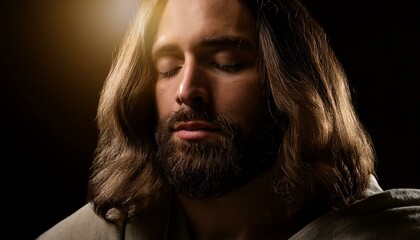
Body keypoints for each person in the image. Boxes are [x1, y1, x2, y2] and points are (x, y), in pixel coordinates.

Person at [37, 0, 420, 239]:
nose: (186, 90)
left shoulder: (390, 232)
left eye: (226, 63)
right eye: (168, 68)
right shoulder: (97, 233)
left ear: (294, 86)